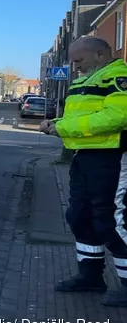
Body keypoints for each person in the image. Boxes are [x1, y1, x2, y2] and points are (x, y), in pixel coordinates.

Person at [40, 36, 127, 306]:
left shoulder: (117, 77)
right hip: (85, 156)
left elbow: (118, 117)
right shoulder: (85, 80)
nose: (75, 67)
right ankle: (90, 276)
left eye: (78, 61)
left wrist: (64, 128)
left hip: (112, 157)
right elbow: (78, 118)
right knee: (80, 215)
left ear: (100, 55)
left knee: (112, 219)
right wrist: (56, 123)